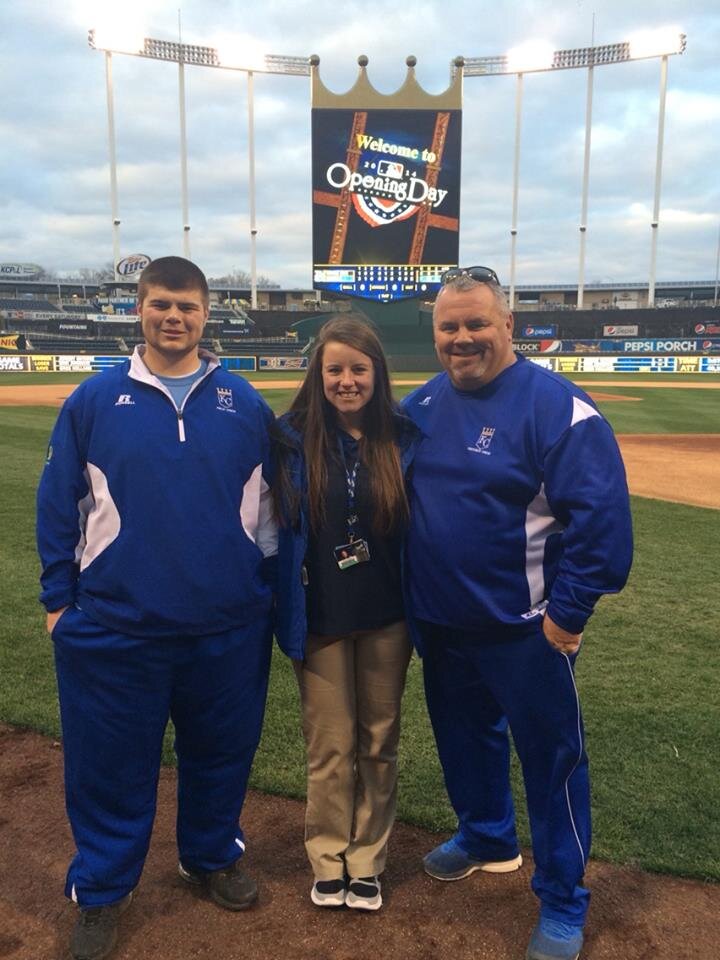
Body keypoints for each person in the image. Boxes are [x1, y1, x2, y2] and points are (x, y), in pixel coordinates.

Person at [36, 256, 277, 960]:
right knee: (107, 765)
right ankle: (104, 889)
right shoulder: (92, 400)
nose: (175, 317)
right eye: (161, 305)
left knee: (221, 756)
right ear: (138, 310)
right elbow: (58, 509)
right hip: (115, 627)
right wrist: (58, 602)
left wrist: (260, 600)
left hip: (226, 627)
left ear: (208, 315)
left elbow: (270, 518)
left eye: (188, 307)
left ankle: (209, 856)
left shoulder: (245, 403)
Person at [401, 267, 633, 960]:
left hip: (527, 631)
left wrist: (567, 616)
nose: (463, 337)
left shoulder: (557, 407)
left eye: (477, 323)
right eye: (449, 326)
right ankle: (486, 835)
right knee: (464, 740)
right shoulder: (417, 406)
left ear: (508, 325)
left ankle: (563, 900)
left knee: (552, 761)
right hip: (441, 625)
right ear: (435, 332)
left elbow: (604, 527)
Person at [272, 315, 418, 912]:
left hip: (389, 614)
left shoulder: (404, 436)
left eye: (359, 368)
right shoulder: (289, 436)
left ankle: (368, 860)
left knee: (378, 742)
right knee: (330, 746)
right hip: (321, 614)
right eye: (335, 369)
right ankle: (328, 856)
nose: (347, 380)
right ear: (319, 374)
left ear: (377, 373)